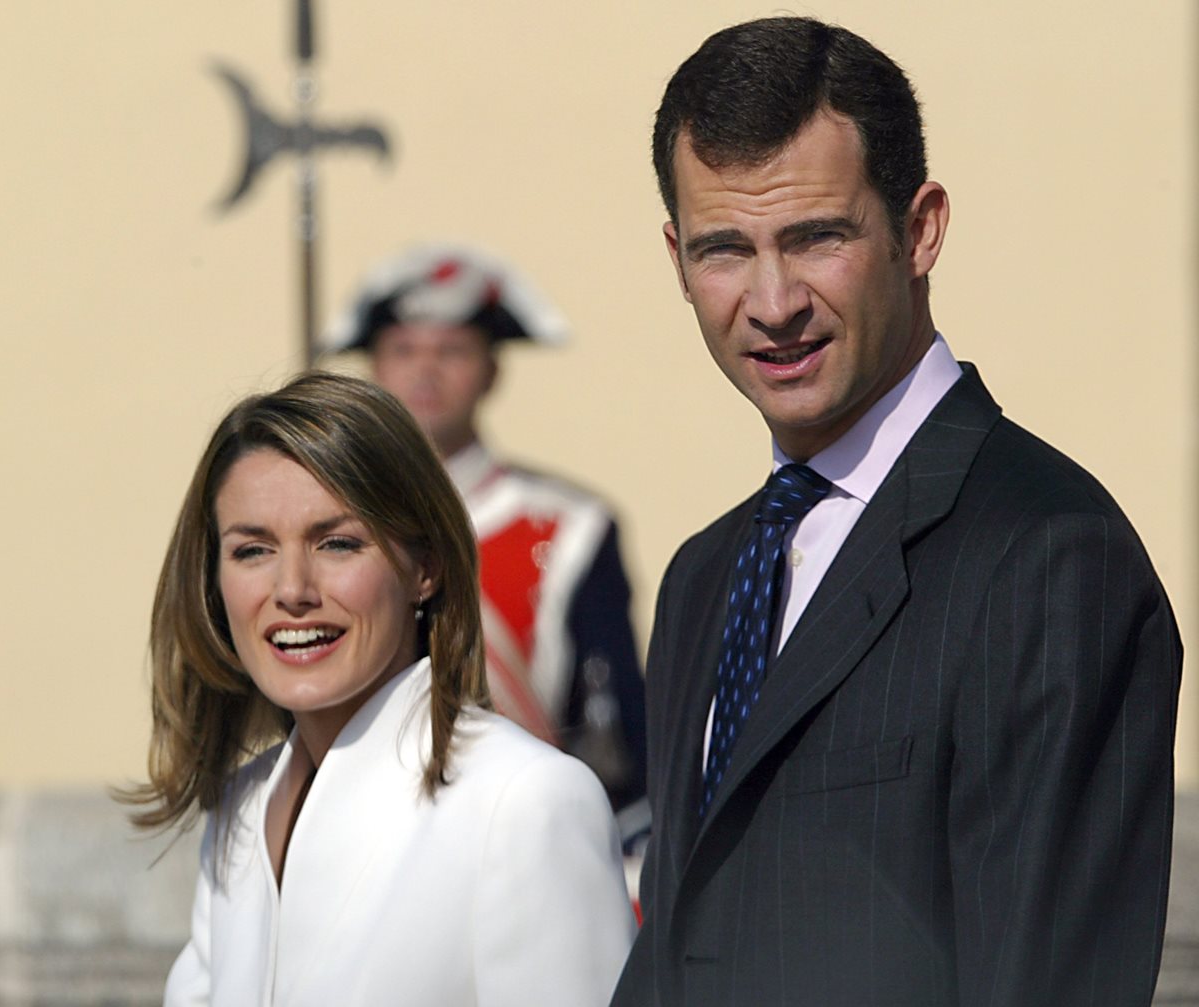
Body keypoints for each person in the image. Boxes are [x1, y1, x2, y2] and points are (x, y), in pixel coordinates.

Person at [611, 16, 1182, 1007]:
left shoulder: (1049, 557)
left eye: (816, 237)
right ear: (675, 256)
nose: (772, 299)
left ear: (919, 229)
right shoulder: (706, 574)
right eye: (724, 250)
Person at [122, 372, 635, 1005]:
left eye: (337, 543)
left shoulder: (525, 801)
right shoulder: (242, 806)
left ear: (426, 567)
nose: (292, 590)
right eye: (253, 550)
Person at [323, 244, 648, 828]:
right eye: (403, 350)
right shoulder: (325, 522)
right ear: (375, 368)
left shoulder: (571, 527)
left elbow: (612, 732)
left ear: (493, 370)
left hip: (522, 824)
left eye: (452, 351)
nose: (425, 370)